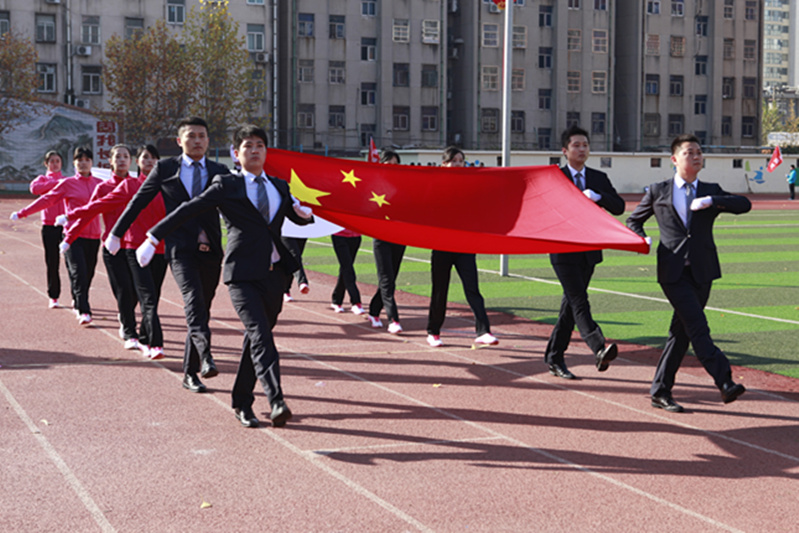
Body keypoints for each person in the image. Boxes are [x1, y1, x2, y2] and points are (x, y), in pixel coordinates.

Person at [137, 124, 313, 428]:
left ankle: (241, 401)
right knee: (261, 336)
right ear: (236, 153)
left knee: (256, 340)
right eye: (248, 146)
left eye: (259, 145)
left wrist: (304, 215)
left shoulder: (280, 186)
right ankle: (276, 400)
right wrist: (154, 237)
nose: (254, 150)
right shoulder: (226, 184)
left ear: (266, 151)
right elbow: (189, 209)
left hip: (275, 274)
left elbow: (293, 221)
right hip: (242, 275)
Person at [626, 133, 751, 412]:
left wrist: (712, 201)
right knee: (696, 325)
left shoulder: (710, 189)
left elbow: (744, 204)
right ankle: (724, 381)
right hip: (672, 271)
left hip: (703, 270)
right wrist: (641, 238)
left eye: (699, 152)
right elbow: (633, 220)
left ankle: (660, 391)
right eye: (689, 152)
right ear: (674, 159)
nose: (696, 156)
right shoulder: (658, 190)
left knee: (681, 333)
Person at [108, 117, 228, 393]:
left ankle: (189, 373)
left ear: (208, 141)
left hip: (210, 250)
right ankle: (205, 357)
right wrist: (116, 233)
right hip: (179, 248)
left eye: (202, 136)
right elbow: (139, 201)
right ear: (179, 141)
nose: (197, 141)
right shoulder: (165, 168)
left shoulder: (220, 171)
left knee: (202, 309)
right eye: (191, 136)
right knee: (193, 301)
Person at [60, 145, 168, 359]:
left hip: (150, 248)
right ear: (110, 161)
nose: (122, 160)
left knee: (140, 293)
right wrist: (69, 234)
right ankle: (130, 331)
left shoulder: (160, 187)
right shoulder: (113, 187)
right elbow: (93, 209)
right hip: (118, 247)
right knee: (126, 290)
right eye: (118, 156)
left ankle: (134, 325)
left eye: (125, 156)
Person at [544, 126, 625, 380]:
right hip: (563, 249)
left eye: (585, 145)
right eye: (576, 145)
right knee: (579, 300)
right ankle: (598, 346)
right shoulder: (555, 177)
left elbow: (619, 206)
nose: (582, 149)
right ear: (564, 150)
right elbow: (546, 209)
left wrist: (598, 197)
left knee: (570, 307)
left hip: (589, 250)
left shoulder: (598, 178)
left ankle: (554, 357)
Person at [11, 147, 102, 325]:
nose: (83, 163)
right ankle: (83, 310)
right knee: (78, 272)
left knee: (88, 274)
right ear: (74, 164)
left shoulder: (99, 184)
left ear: (92, 163)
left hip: (94, 236)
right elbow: (47, 199)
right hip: (72, 235)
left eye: (87, 160)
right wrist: (23, 212)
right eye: (80, 160)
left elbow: (116, 200)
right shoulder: (67, 183)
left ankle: (78, 298)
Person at [425, 146, 498, 348]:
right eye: (453, 161)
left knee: (472, 288)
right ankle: (433, 332)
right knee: (440, 290)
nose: (458, 164)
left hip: (464, 245)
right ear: (444, 164)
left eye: (461, 160)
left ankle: (483, 331)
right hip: (441, 245)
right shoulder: (435, 185)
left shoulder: (470, 185)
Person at [367, 150, 406, 333]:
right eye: (389, 164)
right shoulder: (374, 185)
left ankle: (374, 310)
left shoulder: (404, 186)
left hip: (399, 237)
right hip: (381, 238)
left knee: (391, 279)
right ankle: (393, 320)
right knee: (387, 280)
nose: (393, 168)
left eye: (396, 164)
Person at [27, 151, 66, 309]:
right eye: (52, 161)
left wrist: (60, 182)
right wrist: (55, 183)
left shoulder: (67, 181)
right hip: (49, 226)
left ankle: (78, 297)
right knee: (52, 261)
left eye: (57, 161)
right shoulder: (42, 180)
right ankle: (54, 296)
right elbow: (34, 189)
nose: (55, 164)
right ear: (46, 164)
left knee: (73, 263)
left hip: (66, 226)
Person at [330, 228, 365, 314]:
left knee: (346, 269)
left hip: (356, 236)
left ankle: (336, 300)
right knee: (347, 268)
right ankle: (356, 302)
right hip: (339, 236)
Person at [281, 236, 310, 302]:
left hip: (301, 233)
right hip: (286, 232)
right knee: (294, 255)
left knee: (295, 259)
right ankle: (302, 281)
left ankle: (286, 290)